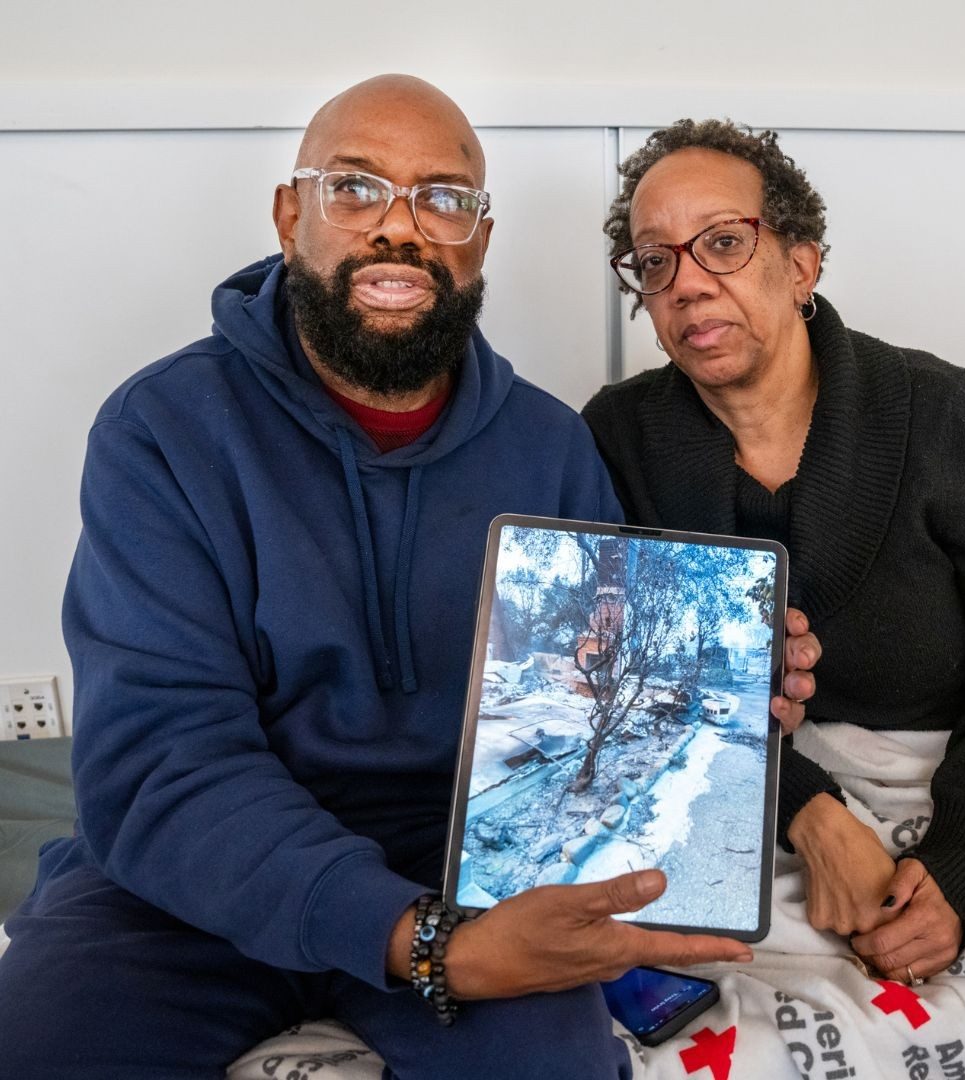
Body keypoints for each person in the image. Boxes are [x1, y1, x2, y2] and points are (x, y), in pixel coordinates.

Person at [0, 79, 820, 1079]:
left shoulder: (552, 451)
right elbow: (162, 767)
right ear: (290, 215)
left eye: (443, 198)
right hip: (184, 894)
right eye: (355, 188)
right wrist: (421, 943)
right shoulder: (162, 432)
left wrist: (713, 707)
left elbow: (585, 730)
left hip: (470, 872)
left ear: (479, 240)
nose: (401, 228)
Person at [582, 118, 965, 986]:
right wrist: (807, 811)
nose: (687, 285)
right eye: (655, 261)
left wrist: (958, 874)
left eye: (724, 244)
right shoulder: (619, 437)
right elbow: (614, 687)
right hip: (741, 784)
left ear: (802, 264)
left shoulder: (936, 410)